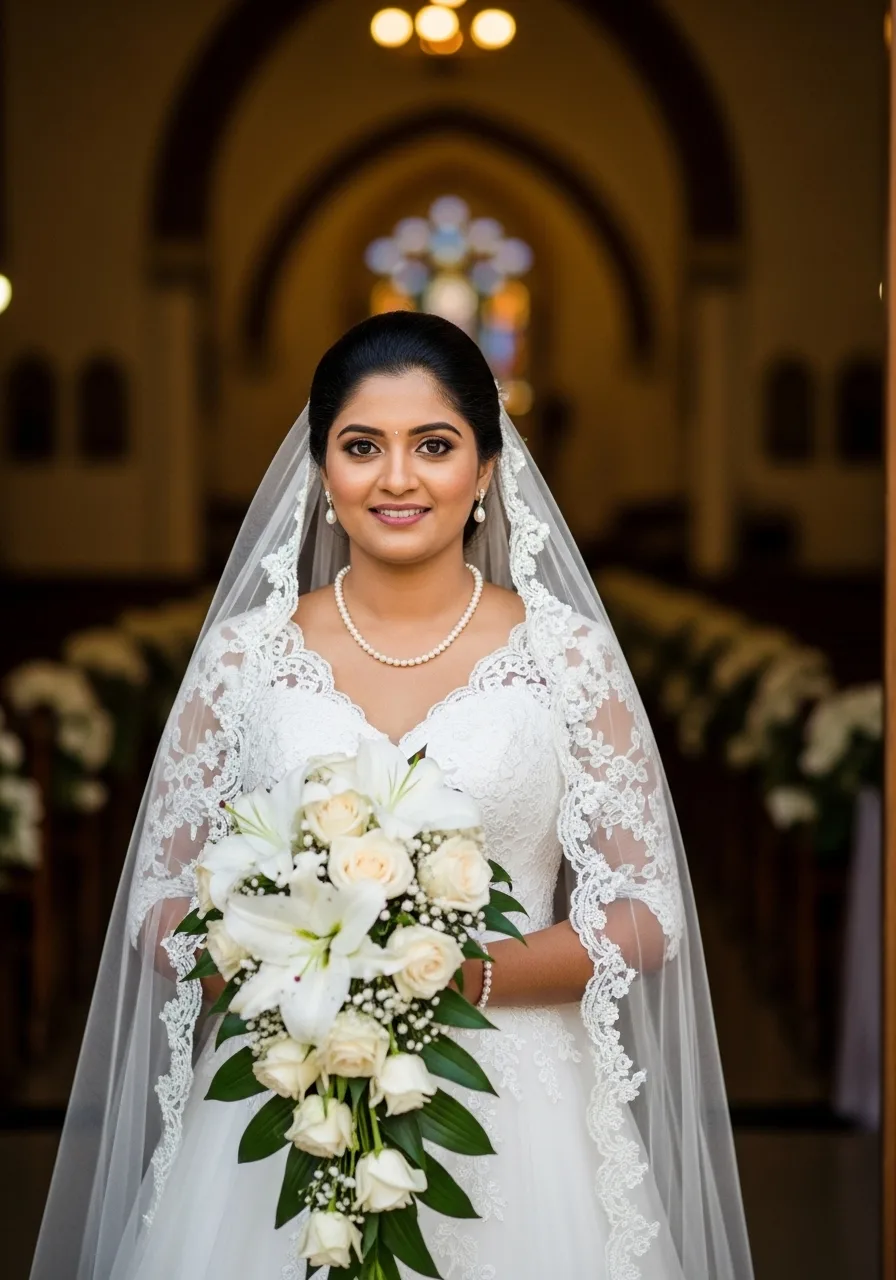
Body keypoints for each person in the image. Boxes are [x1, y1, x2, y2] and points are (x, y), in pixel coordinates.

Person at [31, 312, 753, 1279]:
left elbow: (644, 912)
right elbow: (159, 904)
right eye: (362, 446)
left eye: (436, 445)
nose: (398, 478)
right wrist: (281, 966)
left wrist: (463, 975)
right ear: (323, 470)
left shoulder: (567, 657)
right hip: (286, 1096)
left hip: (518, 1110)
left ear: (488, 468)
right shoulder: (245, 658)